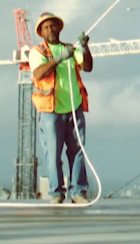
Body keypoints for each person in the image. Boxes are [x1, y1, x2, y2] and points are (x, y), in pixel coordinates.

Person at [27, 11, 93, 204]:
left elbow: (87, 67)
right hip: (51, 111)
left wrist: (85, 47)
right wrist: (60, 58)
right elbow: (39, 73)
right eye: (46, 27)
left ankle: (78, 192)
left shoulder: (71, 48)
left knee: (77, 151)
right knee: (53, 154)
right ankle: (56, 193)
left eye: (53, 25)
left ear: (59, 28)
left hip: (74, 107)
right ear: (41, 32)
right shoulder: (38, 51)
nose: (50, 29)